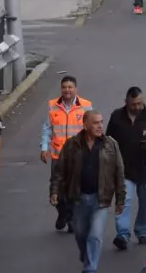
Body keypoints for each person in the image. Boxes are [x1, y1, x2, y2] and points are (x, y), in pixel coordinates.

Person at [50, 110, 125, 273]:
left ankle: (90, 268)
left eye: (101, 122)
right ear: (85, 125)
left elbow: (119, 173)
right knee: (80, 234)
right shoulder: (71, 145)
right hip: (78, 198)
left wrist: (120, 199)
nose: (100, 126)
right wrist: (55, 191)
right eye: (95, 123)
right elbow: (60, 171)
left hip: (101, 200)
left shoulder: (110, 144)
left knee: (95, 235)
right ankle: (86, 256)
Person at [106, 86, 146, 249]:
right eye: (134, 104)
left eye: (140, 103)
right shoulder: (117, 116)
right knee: (125, 201)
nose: (137, 107)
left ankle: (142, 231)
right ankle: (122, 235)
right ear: (126, 102)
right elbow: (108, 141)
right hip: (124, 168)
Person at [41, 76, 92, 231]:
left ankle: (71, 219)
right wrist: (44, 148)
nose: (67, 90)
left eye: (70, 87)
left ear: (75, 89)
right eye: (64, 87)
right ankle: (63, 212)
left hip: (78, 156)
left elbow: (91, 131)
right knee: (56, 190)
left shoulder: (86, 107)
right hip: (58, 155)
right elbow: (47, 129)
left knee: (75, 189)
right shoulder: (52, 106)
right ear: (61, 89)